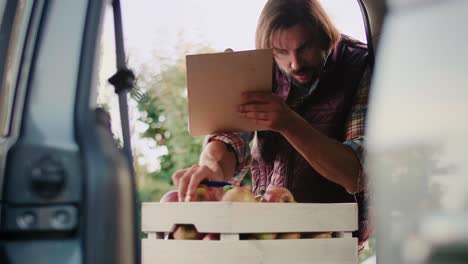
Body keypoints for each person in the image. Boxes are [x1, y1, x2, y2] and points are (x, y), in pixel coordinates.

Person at [172, 0, 372, 249]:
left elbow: (357, 173)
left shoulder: (360, 65)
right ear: (268, 48)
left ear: (324, 35)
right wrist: (212, 169)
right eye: (281, 52)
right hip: (267, 238)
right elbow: (230, 135)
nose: (295, 63)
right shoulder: (258, 67)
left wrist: (288, 123)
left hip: (331, 243)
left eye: (304, 48)